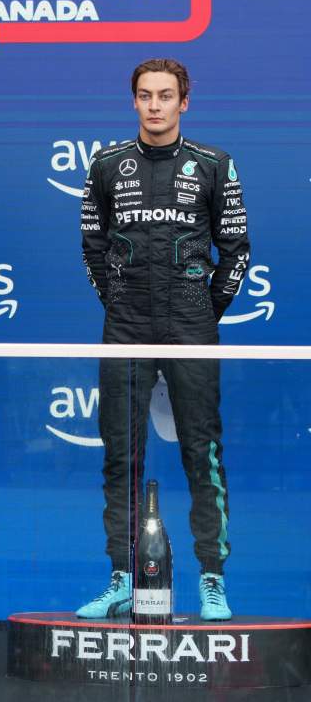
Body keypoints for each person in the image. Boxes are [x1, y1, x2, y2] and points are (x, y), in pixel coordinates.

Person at [77, 58, 249, 621]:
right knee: (120, 455)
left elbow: (237, 250)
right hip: (125, 326)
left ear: (184, 101)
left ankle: (213, 579)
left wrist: (203, 310)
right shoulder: (106, 165)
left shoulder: (214, 165)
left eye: (166, 95)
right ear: (133, 101)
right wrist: (121, 302)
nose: (155, 105)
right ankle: (122, 577)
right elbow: (93, 248)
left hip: (190, 327)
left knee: (203, 452)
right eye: (146, 95)